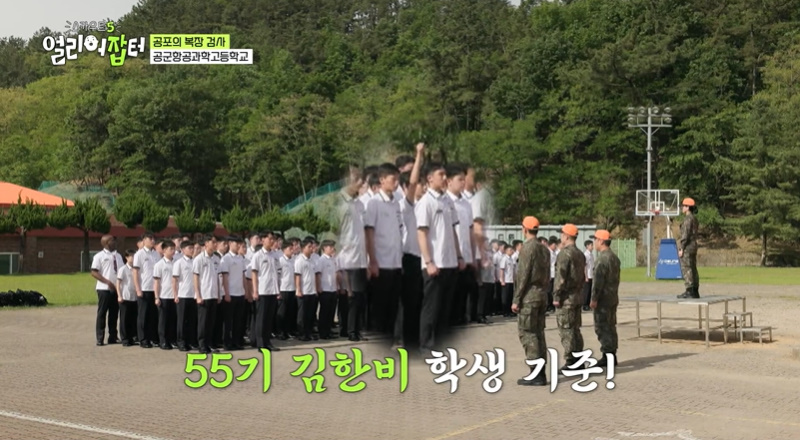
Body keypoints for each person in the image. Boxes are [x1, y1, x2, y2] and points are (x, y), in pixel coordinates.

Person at [416, 162, 464, 353]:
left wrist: (459, 256)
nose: (445, 178)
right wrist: (428, 261)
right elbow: (422, 234)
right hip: (434, 263)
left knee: (445, 308)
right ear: (430, 178)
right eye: (441, 175)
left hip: (450, 262)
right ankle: (426, 345)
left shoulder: (447, 201)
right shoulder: (425, 202)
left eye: (445, 175)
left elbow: (453, 231)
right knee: (431, 308)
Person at [364, 163, 404, 341]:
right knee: (381, 304)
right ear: (382, 180)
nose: (396, 183)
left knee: (395, 303)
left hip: (396, 261)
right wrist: (372, 260)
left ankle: (394, 338)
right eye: (393, 179)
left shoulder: (396, 203)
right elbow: (369, 233)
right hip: (381, 262)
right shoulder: (374, 203)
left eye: (398, 179)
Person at [511, 217, 551, 386]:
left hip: (529, 296)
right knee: (538, 333)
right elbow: (548, 275)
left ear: (524, 229)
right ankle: (541, 371)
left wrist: (516, 299)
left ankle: (536, 372)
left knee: (528, 333)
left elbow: (523, 275)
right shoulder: (544, 249)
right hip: (541, 294)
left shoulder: (527, 248)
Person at [337, 167, 369, 342]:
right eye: (357, 181)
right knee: (350, 297)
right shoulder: (341, 203)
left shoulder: (359, 204)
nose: (361, 184)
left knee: (359, 297)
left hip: (360, 258)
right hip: (347, 259)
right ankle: (349, 331)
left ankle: (356, 329)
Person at [552, 224, 586, 372]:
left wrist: (556, 295)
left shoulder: (564, 254)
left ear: (566, 236)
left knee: (566, 330)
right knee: (575, 330)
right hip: (577, 296)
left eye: (562, 234)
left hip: (566, 298)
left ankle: (571, 360)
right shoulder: (580, 254)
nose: (561, 237)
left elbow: (560, 277)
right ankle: (579, 359)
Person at [446, 163, 476, 327]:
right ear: (449, 181)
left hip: (466, 254)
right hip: (450, 256)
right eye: (459, 179)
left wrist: (472, 255)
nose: (463, 183)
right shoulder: (445, 202)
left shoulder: (466, 203)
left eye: (464, 179)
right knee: (450, 293)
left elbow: (470, 230)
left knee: (463, 291)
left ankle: (460, 319)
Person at [589, 230, 621, 367]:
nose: (594, 242)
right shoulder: (614, 258)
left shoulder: (602, 259)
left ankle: (607, 356)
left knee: (602, 327)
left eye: (595, 239)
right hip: (612, 297)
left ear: (601, 241)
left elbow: (598, 282)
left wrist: (594, 299)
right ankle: (612, 354)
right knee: (611, 326)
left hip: (603, 299)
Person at [90, 235, 124, 346]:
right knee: (102, 313)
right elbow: (94, 272)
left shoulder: (118, 256)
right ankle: (100, 337)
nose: (115, 242)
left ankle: (113, 336)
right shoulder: (99, 256)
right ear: (106, 243)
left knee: (114, 313)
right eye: (112, 241)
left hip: (116, 288)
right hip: (104, 289)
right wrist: (107, 282)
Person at [251, 231, 281, 351]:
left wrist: (278, 290)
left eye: (273, 239)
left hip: (273, 290)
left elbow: (278, 273)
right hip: (262, 291)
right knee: (261, 319)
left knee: (269, 318)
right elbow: (254, 274)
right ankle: (260, 343)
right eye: (270, 238)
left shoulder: (275, 255)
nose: (272, 241)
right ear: (263, 240)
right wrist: (255, 291)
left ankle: (267, 342)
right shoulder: (257, 256)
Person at [193, 235, 221, 354]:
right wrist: (198, 295)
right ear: (206, 243)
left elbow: (218, 278)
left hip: (213, 294)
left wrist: (219, 294)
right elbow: (196, 277)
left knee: (211, 322)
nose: (215, 244)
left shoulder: (216, 259)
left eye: (216, 242)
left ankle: (210, 344)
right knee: (203, 322)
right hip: (203, 295)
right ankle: (202, 345)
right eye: (213, 242)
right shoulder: (199, 259)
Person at [221, 236, 248, 350]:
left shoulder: (240, 258)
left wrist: (246, 291)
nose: (238, 246)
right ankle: (227, 342)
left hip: (240, 293)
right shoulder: (226, 259)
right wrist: (226, 293)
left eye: (240, 244)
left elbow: (243, 276)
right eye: (237, 244)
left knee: (238, 320)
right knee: (228, 321)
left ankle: (236, 342)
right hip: (230, 293)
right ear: (230, 243)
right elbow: (225, 277)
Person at [133, 233, 159, 348]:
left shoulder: (156, 254)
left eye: (154, 239)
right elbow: (135, 272)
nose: (153, 241)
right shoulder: (139, 254)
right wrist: (138, 289)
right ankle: (143, 339)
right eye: (150, 239)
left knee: (152, 315)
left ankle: (152, 337)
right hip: (144, 288)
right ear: (144, 240)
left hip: (155, 289)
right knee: (143, 315)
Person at [295, 238, 322, 341]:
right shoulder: (299, 261)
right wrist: (298, 289)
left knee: (310, 314)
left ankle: (309, 332)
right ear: (303, 248)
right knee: (302, 314)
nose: (311, 248)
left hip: (311, 291)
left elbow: (315, 276)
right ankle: (302, 333)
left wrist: (316, 289)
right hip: (303, 291)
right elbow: (297, 276)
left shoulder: (312, 260)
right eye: (309, 247)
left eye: (312, 246)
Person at [173, 240, 197, 351]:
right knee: (182, 321)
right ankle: (181, 342)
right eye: (189, 248)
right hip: (182, 295)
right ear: (183, 250)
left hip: (193, 295)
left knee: (192, 320)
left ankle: (191, 341)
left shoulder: (195, 262)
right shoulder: (178, 263)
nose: (192, 250)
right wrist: (175, 295)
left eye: (192, 248)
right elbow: (174, 280)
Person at [153, 241, 177, 350]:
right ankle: (163, 341)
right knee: (163, 320)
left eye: (174, 249)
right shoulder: (159, 265)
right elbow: (156, 282)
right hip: (164, 295)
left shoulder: (176, 263)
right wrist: (157, 297)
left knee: (173, 320)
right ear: (164, 250)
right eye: (170, 249)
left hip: (175, 296)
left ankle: (172, 340)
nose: (173, 251)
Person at [678, 198, 700, 299]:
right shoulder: (694, 219)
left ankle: (689, 290)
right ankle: (695, 290)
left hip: (687, 246)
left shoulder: (687, 219)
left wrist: (681, 247)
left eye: (683, 206)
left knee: (686, 268)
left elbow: (685, 234)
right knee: (693, 267)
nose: (682, 207)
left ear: (687, 207)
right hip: (693, 245)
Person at [317, 240, 340, 340]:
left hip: (333, 289)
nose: (332, 249)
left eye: (333, 247)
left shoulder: (333, 259)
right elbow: (318, 274)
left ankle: (328, 330)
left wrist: (337, 287)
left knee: (331, 311)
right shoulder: (321, 260)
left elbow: (336, 274)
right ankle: (323, 332)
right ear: (324, 248)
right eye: (330, 247)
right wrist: (319, 287)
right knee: (324, 312)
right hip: (325, 289)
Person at [116, 249, 138, 347]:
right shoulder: (123, 269)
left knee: (132, 319)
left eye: (134, 256)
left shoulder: (136, 269)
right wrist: (119, 295)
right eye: (131, 256)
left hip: (134, 297)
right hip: (125, 297)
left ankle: (131, 337)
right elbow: (118, 283)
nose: (133, 258)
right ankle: (124, 339)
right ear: (126, 257)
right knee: (124, 319)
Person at [277, 240, 298, 340]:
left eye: (292, 249)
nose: (292, 251)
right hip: (283, 289)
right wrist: (278, 291)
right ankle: (280, 332)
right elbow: (277, 276)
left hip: (292, 288)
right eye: (290, 249)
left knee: (290, 312)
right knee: (282, 312)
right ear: (284, 250)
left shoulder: (293, 260)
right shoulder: (280, 261)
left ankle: (288, 331)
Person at [582, 240, 594, 312]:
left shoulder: (591, 254)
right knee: (586, 291)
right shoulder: (585, 255)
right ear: (587, 246)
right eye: (591, 245)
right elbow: (584, 266)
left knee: (590, 291)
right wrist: (585, 276)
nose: (592, 247)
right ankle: (584, 305)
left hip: (591, 275)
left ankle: (588, 304)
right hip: (587, 275)